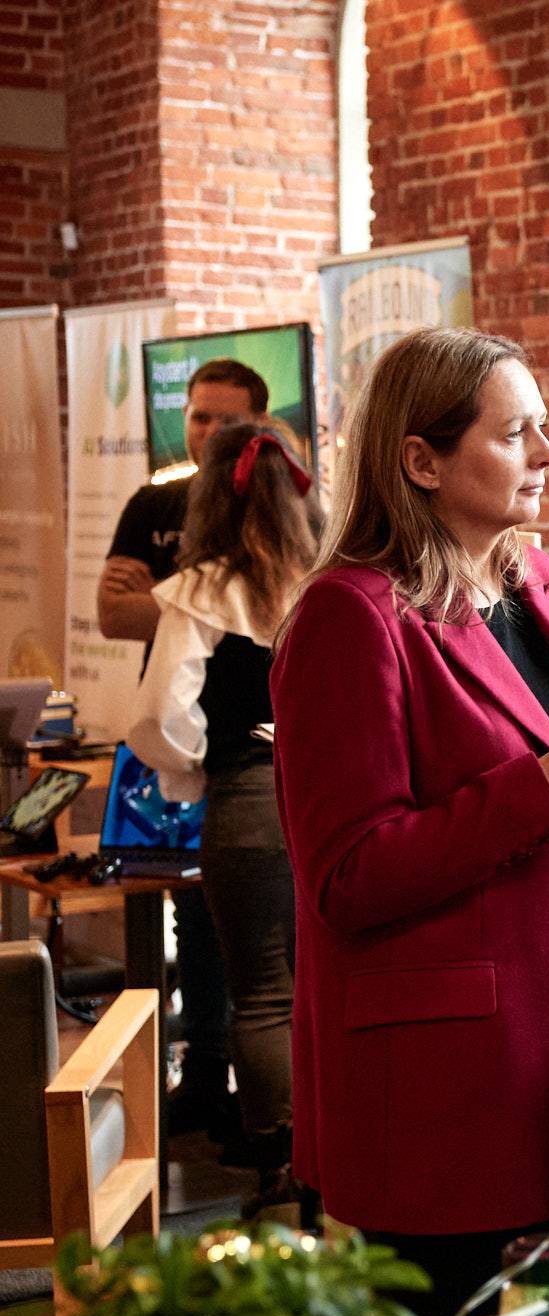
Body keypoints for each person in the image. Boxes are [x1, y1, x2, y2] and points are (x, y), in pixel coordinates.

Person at [270, 327, 549, 1316]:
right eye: (515, 434)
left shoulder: (533, 581)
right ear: (421, 460)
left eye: (543, 427)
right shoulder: (349, 617)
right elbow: (348, 875)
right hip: (441, 1089)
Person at [127, 417, 324, 1218]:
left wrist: (191, 771)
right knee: (323, 986)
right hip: (333, 797)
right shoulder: (331, 581)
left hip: (248, 797)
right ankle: (330, 1162)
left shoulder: (202, 589)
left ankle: (281, 1170)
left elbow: (162, 716)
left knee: (266, 993)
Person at [98, 357, 263, 1144]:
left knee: (257, 940)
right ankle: (202, 1076)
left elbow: (155, 611)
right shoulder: (153, 503)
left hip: (243, 750)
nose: (208, 431)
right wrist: (201, 611)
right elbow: (111, 615)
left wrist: (167, 605)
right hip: (171, 744)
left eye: (226, 419)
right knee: (191, 916)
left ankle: (258, 1109)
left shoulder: (273, 510)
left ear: (256, 425)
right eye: (199, 415)